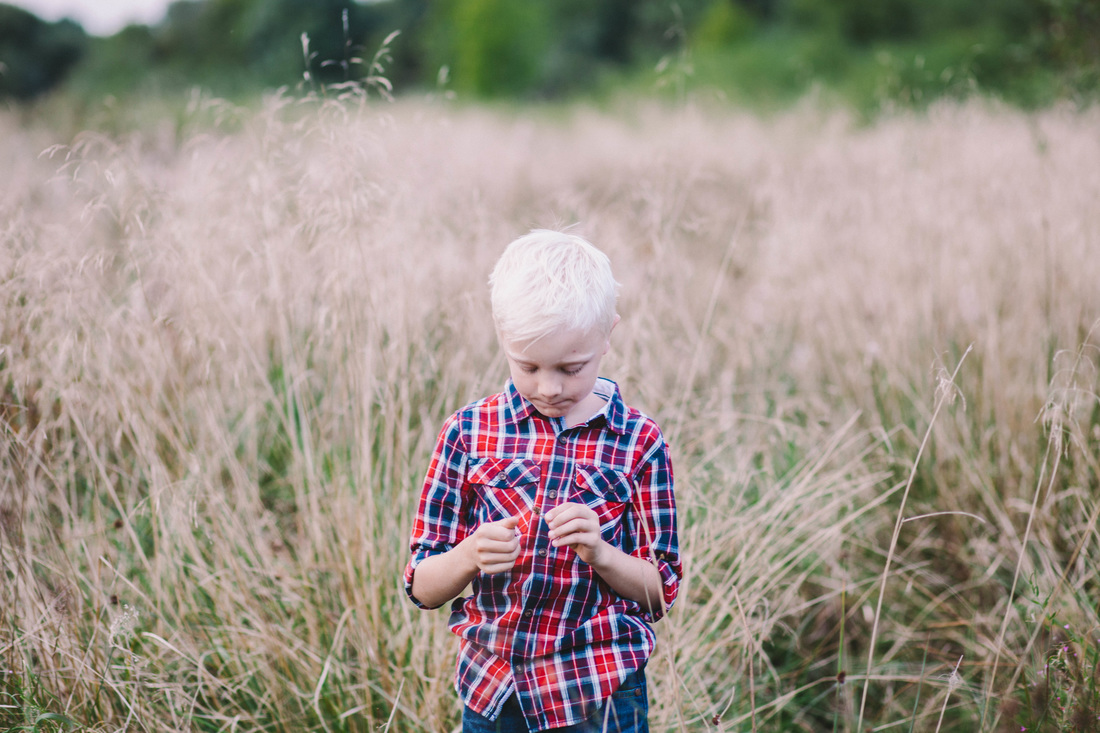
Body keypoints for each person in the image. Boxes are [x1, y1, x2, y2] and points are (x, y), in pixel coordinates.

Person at [404, 229, 681, 732]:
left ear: (608, 335)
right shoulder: (468, 434)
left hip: (598, 689)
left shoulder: (638, 441)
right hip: (495, 689)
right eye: (527, 366)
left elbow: (659, 590)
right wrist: (468, 556)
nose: (549, 387)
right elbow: (422, 586)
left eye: (572, 368)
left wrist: (601, 554)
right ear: (502, 336)